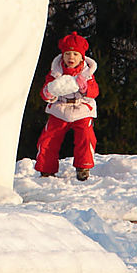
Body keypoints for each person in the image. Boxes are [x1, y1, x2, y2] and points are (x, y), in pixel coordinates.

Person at [34, 31, 99, 181]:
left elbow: (94, 92)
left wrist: (85, 88)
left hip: (81, 108)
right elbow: (44, 92)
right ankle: (46, 169)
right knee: (48, 138)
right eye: (68, 54)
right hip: (60, 109)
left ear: (82, 57)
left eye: (75, 54)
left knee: (86, 135)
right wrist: (49, 92)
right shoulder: (55, 72)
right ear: (62, 56)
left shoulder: (87, 73)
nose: (71, 58)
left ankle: (83, 166)